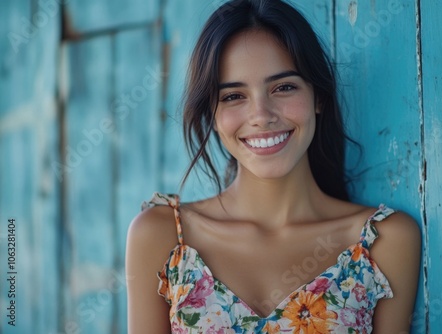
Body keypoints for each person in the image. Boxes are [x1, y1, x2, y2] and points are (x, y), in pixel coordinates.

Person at [126, 0, 421, 333]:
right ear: (212, 113)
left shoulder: (382, 243)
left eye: (283, 87)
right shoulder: (162, 237)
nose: (261, 115)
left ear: (318, 96)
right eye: (233, 96)